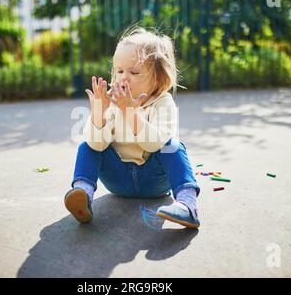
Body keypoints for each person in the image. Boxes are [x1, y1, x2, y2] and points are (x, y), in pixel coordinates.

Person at [64, 26, 200, 228]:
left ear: (158, 78)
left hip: (154, 181)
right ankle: (83, 194)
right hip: (118, 181)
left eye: (134, 71)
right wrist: (99, 114)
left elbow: (155, 144)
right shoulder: (112, 101)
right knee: (87, 146)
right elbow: (96, 144)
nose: (123, 77)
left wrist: (130, 113)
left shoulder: (163, 102)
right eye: (119, 71)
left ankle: (187, 205)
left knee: (174, 146)